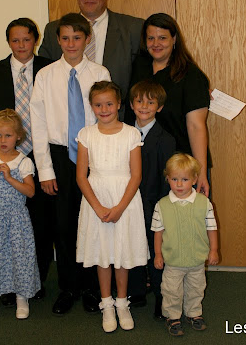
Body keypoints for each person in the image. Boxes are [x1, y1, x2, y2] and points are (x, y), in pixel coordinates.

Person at [29, 13, 111, 316]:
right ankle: (68, 287)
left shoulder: (100, 72)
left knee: (91, 223)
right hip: (60, 156)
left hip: (93, 155)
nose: (71, 43)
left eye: (77, 37)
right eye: (65, 38)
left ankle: (91, 287)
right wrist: (45, 170)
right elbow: (38, 125)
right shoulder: (46, 75)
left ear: (87, 39)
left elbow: (107, 116)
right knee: (63, 225)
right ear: (58, 41)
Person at [0, 17, 54, 307]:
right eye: (15, 40)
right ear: (8, 42)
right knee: (7, 229)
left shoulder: (48, 67)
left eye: (27, 39)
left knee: (39, 222)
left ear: (35, 40)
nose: (21, 45)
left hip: (40, 153)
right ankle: (8, 283)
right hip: (7, 155)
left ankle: (35, 281)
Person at [76, 81, 148, 332]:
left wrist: (119, 208)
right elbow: (81, 176)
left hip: (124, 200)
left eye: (109, 104)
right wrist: (97, 207)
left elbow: (136, 175)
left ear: (119, 104)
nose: (104, 109)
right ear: (91, 106)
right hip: (95, 199)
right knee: (102, 252)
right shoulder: (86, 134)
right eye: (98, 105)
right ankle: (106, 303)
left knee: (121, 251)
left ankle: (122, 302)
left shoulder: (131, 133)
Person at [125, 12, 212, 197]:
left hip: (179, 167)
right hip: (140, 162)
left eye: (162, 38)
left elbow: (196, 126)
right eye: (151, 38)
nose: (156, 43)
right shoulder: (139, 67)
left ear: (174, 39)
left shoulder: (191, 75)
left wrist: (200, 171)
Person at [38, 0, 144, 120]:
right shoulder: (53, 29)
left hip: (117, 120)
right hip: (66, 120)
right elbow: (42, 72)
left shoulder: (133, 28)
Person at [0, 109, 40, 320]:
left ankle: (22, 297)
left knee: (20, 257)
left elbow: (30, 191)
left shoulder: (23, 161)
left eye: (8, 135)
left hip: (17, 218)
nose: (3, 140)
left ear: (18, 136)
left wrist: (10, 178)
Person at [151, 153, 219, 337]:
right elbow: (158, 232)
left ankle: (194, 313)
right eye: (174, 179)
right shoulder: (162, 205)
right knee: (171, 290)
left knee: (196, 288)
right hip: (173, 261)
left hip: (197, 260)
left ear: (195, 179)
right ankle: (172, 316)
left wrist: (213, 250)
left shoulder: (204, 203)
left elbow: (211, 228)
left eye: (185, 179)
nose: (179, 184)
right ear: (168, 179)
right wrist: (158, 254)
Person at [126, 80, 177, 318]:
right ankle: (136, 290)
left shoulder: (165, 139)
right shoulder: (123, 133)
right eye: (139, 101)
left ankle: (161, 296)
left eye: (150, 102)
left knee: (156, 250)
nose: (144, 106)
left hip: (153, 203)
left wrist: (163, 209)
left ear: (159, 107)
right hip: (128, 202)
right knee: (131, 246)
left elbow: (166, 178)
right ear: (131, 104)